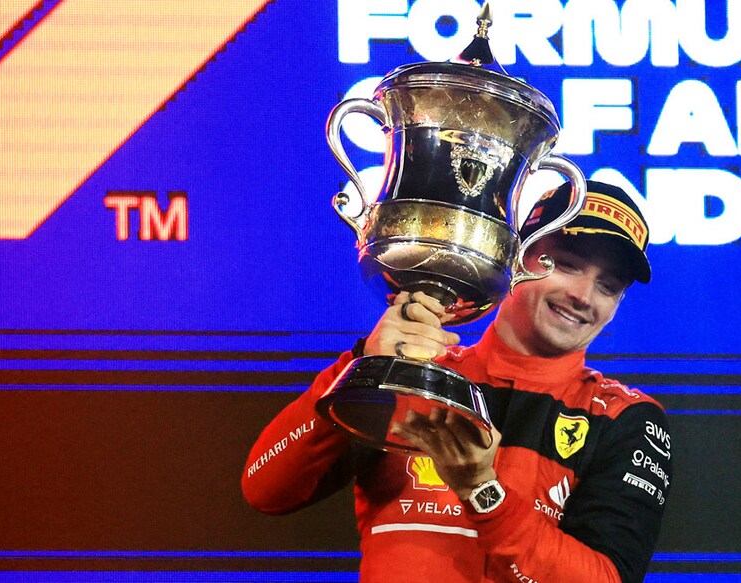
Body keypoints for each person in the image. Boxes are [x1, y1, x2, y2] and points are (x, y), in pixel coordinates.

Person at [242, 180, 673, 582]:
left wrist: (483, 492)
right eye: (564, 264)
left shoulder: (624, 418)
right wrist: (363, 365)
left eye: (608, 286)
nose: (583, 295)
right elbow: (267, 489)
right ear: (514, 257)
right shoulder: (414, 372)